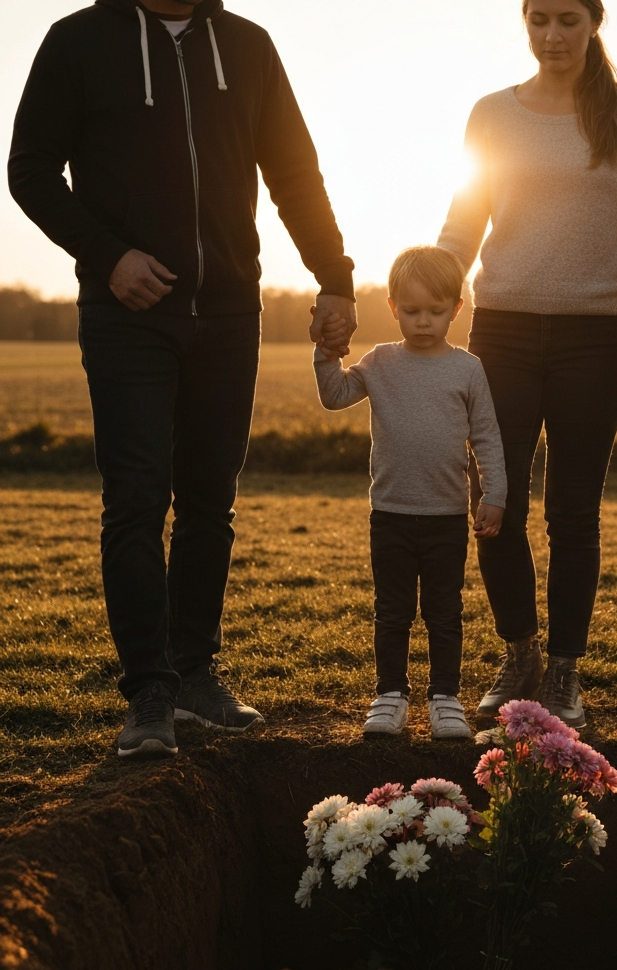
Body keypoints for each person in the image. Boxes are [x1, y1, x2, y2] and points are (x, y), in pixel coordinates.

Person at [8, 0, 357, 759]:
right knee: (136, 499)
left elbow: (294, 173)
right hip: (128, 313)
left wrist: (333, 276)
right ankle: (150, 694)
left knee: (210, 502)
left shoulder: (249, 47)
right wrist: (107, 255)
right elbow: (30, 169)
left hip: (231, 313)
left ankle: (195, 674)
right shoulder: (77, 41)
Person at [438, 0, 617, 731]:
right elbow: (465, 220)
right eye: (540, 20)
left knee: (573, 509)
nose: (553, 35)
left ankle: (563, 673)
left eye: (568, 21)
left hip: (594, 335)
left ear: (594, 24)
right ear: (525, 23)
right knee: (496, 502)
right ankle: (518, 652)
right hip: (503, 332)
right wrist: (432, 284)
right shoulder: (492, 112)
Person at [314, 247, 507, 741]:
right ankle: (390, 696)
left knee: (444, 611)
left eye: (436, 312)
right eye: (413, 311)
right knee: (393, 609)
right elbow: (335, 396)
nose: (424, 322)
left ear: (456, 308)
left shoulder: (468, 369)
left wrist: (494, 494)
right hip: (391, 514)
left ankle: (445, 698)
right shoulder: (380, 362)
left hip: (446, 517)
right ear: (393, 306)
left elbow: (486, 435)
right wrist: (326, 352)